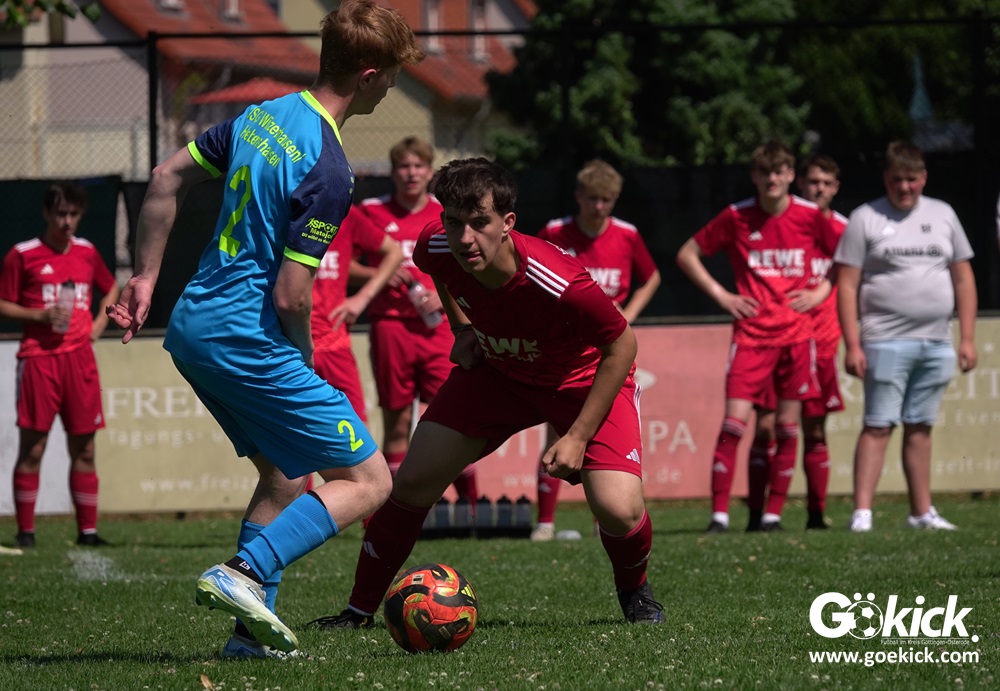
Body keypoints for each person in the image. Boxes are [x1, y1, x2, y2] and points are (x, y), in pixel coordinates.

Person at [106, 0, 423, 658]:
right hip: (246, 338)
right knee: (370, 481)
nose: (394, 84)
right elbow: (291, 293)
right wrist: (302, 357)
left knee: (283, 475)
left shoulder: (260, 117)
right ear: (368, 76)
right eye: (393, 73)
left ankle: (250, 641)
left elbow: (164, 177)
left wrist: (144, 277)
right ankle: (244, 571)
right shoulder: (330, 167)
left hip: (193, 326)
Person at [309, 158, 663, 628]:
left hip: (579, 380)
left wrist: (577, 436)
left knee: (618, 509)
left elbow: (622, 345)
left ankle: (636, 591)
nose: (465, 238)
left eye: (480, 223)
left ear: (507, 223)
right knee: (411, 482)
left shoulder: (557, 278)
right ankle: (358, 612)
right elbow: (436, 266)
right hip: (499, 374)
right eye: (454, 222)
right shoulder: (437, 244)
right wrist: (462, 329)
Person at [675, 140, 838, 534]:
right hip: (751, 337)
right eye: (765, 172)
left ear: (790, 175)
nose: (772, 179)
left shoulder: (809, 215)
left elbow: (847, 257)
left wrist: (820, 292)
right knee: (734, 425)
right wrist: (723, 296)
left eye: (779, 172)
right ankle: (719, 516)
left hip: (797, 337)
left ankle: (772, 516)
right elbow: (687, 254)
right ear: (754, 176)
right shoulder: (737, 216)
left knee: (788, 428)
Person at [835, 141, 977, 532]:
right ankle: (862, 513)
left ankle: (921, 512)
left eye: (912, 179)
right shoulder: (865, 218)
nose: (905, 187)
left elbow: (963, 278)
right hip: (883, 340)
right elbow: (846, 285)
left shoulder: (943, 214)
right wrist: (853, 344)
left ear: (924, 178)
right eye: (897, 179)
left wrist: (967, 337)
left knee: (920, 426)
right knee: (878, 425)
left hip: (936, 341)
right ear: (886, 178)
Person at [529, 159, 660, 541]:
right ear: (578, 197)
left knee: (608, 436)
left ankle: (605, 519)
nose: (598, 207)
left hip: (610, 352)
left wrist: (627, 315)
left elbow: (652, 277)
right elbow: (528, 273)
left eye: (606, 200)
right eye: (592, 199)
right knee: (556, 433)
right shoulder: (555, 232)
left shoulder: (627, 235)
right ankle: (545, 522)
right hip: (565, 350)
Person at [353, 136, 478, 502]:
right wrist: (377, 275)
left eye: (418, 166)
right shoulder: (371, 211)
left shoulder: (447, 213)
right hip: (390, 325)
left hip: (441, 328)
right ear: (392, 173)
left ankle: (472, 508)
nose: (411, 173)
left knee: (456, 419)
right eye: (404, 166)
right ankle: (396, 509)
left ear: (429, 172)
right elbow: (340, 261)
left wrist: (446, 296)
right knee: (397, 421)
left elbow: (474, 262)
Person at [0, 182, 120, 549]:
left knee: (85, 449)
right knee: (33, 448)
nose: (67, 222)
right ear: (47, 214)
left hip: (80, 360)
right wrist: (39, 314)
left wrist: (98, 324)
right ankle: (26, 532)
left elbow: (111, 287)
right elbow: (3, 303)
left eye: (74, 214)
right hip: (39, 359)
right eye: (61, 214)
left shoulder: (86, 251)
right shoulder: (23, 254)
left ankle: (88, 532)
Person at [746, 154, 848, 531]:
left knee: (814, 430)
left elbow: (852, 276)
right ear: (799, 183)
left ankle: (816, 514)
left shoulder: (842, 229)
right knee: (767, 427)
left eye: (826, 183)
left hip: (823, 343)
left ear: (836, 188)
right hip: (781, 339)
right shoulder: (784, 222)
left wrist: (823, 297)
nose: (818, 189)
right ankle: (759, 514)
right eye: (813, 182)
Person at [312, 207, 403, 425]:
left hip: (334, 342)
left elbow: (395, 253)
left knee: (356, 430)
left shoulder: (344, 212)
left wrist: (363, 297)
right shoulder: (278, 210)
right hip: (288, 346)